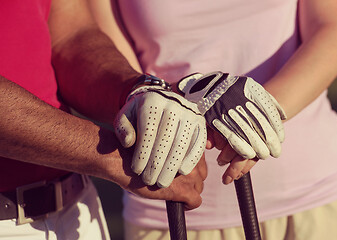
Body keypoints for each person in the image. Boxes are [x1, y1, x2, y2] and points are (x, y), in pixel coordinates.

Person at [102, 0, 337, 239]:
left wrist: (258, 112)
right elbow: (111, 66)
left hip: (317, 195)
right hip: (173, 208)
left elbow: (332, 32)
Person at [0, 0, 208, 239]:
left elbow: (70, 36)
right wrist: (114, 157)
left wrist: (138, 93)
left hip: (77, 207)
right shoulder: (111, 158)